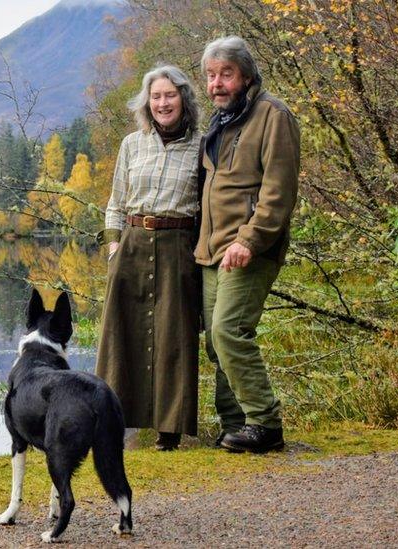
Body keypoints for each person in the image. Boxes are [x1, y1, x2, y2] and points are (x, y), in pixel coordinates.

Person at [196, 36, 300, 453]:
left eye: (226, 74)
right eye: (210, 75)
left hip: (248, 249)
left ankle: (264, 423)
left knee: (229, 330)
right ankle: (235, 424)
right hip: (212, 250)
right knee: (214, 341)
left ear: (246, 75)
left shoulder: (272, 115)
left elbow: (279, 190)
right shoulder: (221, 121)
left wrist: (249, 240)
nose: (217, 83)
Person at [96, 65, 201, 451]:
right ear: (147, 102)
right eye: (156, 96)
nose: (162, 103)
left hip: (178, 246)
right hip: (133, 243)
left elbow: (208, 206)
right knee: (123, 335)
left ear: (183, 99)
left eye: (169, 95)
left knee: (173, 335)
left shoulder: (203, 146)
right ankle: (114, 421)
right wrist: (113, 247)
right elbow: (115, 202)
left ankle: (168, 431)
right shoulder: (131, 144)